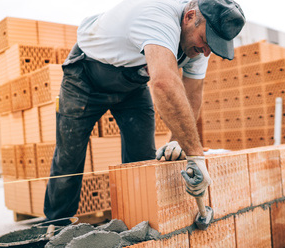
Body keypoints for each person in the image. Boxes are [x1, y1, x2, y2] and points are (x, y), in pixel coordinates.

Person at [43, 0, 245, 224]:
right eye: (206, 42)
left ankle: (138, 224)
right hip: (86, 76)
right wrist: (195, 155)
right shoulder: (158, 16)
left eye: (213, 48)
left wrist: (178, 142)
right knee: (68, 157)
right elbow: (164, 83)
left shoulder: (197, 47)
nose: (206, 52)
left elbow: (192, 94)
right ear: (189, 17)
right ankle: (55, 227)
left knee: (142, 158)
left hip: (132, 85)